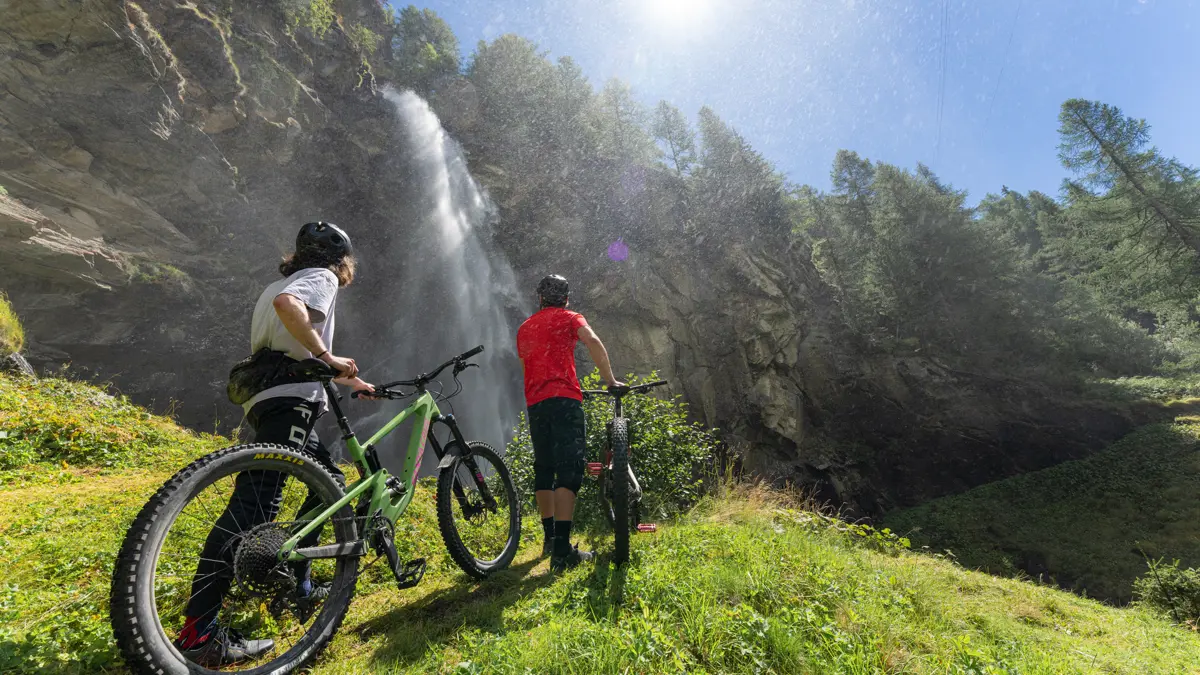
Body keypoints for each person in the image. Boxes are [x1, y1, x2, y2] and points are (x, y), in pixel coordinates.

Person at [174, 222, 378, 667]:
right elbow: (294, 312)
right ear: (340, 260)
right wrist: (328, 358)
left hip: (266, 397)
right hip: (292, 401)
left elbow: (287, 339)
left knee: (330, 481)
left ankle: (302, 586)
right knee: (255, 505)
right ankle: (197, 633)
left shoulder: (276, 284)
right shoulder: (320, 279)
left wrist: (352, 379)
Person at [516, 274, 624, 572]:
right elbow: (592, 340)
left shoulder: (524, 328)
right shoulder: (570, 317)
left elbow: (525, 366)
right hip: (564, 399)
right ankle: (563, 552)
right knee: (569, 470)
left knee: (544, 468)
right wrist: (610, 380)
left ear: (539, 298)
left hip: (536, 404)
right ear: (566, 297)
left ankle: (550, 538)